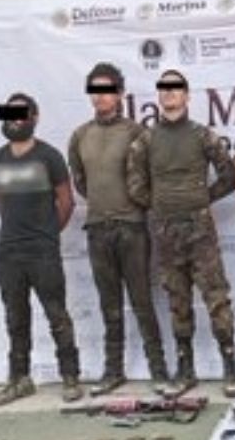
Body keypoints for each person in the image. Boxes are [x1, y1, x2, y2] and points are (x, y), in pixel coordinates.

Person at [126, 70, 235, 398]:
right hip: (166, 232)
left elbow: (230, 175)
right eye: (163, 88)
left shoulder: (203, 135)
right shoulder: (146, 140)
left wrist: (202, 199)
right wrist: (161, 204)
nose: (169, 93)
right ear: (158, 96)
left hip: (200, 230)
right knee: (177, 301)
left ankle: (230, 367)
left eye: (175, 88)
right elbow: (135, 185)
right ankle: (185, 369)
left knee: (216, 298)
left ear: (187, 95)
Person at [67, 62, 169, 396]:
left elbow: (148, 179)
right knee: (109, 305)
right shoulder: (80, 136)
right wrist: (104, 204)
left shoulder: (137, 132)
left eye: (106, 90)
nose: (100, 97)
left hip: (132, 229)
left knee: (142, 301)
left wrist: (129, 207)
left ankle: (159, 370)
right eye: (94, 91)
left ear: (120, 94)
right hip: (97, 228)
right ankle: (113, 371)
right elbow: (81, 182)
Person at [0, 93, 83, 406]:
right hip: (9, 252)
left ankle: (70, 377)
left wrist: (47, 233)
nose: (14, 120)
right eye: (9, 113)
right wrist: (17, 230)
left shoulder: (49, 157)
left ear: (34, 117)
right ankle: (19, 379)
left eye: (21, 113)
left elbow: (66, 202)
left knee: (56, 314)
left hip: (43, 251)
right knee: (15, 318)